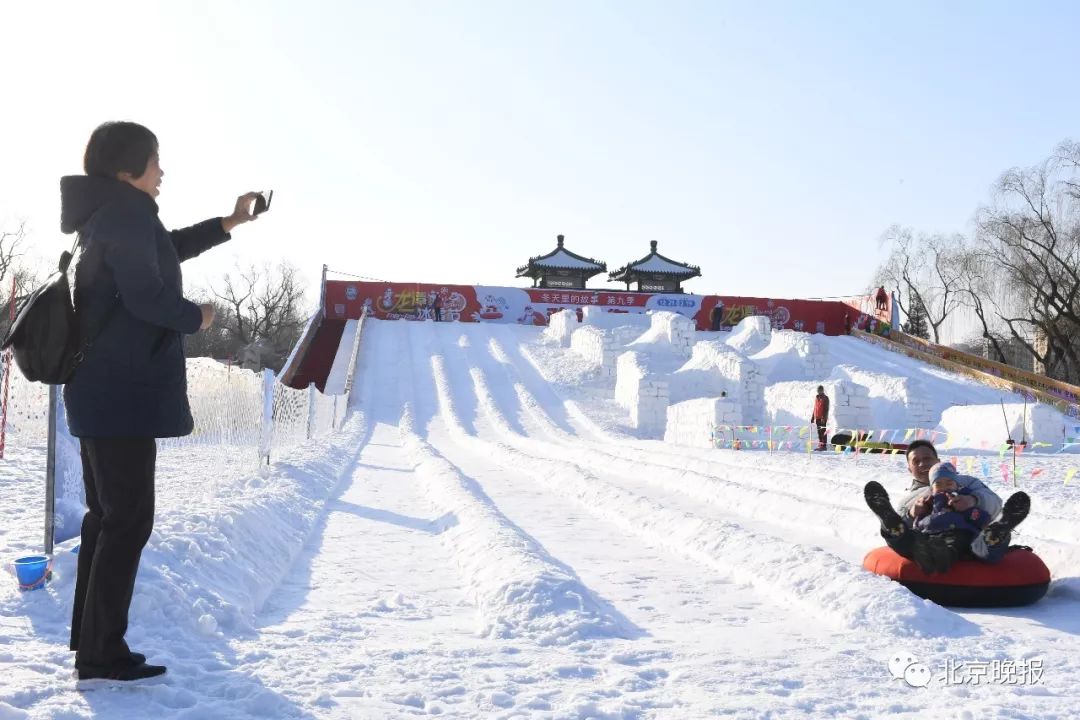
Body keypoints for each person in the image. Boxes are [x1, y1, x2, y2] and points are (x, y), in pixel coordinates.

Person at [62, 121, 260, 683]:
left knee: (109, 519)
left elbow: (164, 251)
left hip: (102, 392)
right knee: (127, 521)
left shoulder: (112, 214)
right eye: (155, 162)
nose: (162, 173)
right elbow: (149, 295)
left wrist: (228, 223)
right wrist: (195, 316)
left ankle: (93, 644)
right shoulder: (125, 214)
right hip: (119, 394)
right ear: (128, 171)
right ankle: (101, 652)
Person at [863, 440, 1031, 574]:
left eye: (927, 459)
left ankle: (997, 534)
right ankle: (887, 520)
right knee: (903, 538)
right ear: (909, 468)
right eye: (916, 461)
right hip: (926, 538)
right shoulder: (909, 500)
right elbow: (904, 526)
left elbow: (995, 503)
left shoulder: (964, 482)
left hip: (967, 536)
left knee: (985, 545)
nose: (922, 464)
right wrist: (911, 513)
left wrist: (972, 500)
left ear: (938, 461)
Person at [913, 462, 990, 537]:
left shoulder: (963, 498)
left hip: (961, 535)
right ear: (932, 489)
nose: (944, 487)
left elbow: (982, 518)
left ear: (957, 485)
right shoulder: (929, 502)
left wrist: (971, 512)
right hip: (934, 536)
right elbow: (918, 523)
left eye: (949, 484)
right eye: (938, 484)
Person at [810, 385, 829, 450]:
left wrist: (824, 418)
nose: (819, 391)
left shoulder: (825, 398)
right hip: (817, 418)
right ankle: (820, 445)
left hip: (822, 418)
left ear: (822, 390)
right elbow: (815, 408)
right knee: (819, 432)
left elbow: (826, 409)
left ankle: (824, 446)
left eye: (820, 390)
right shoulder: (817, 398)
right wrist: (813, 417)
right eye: (818, 390)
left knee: (823, 432)